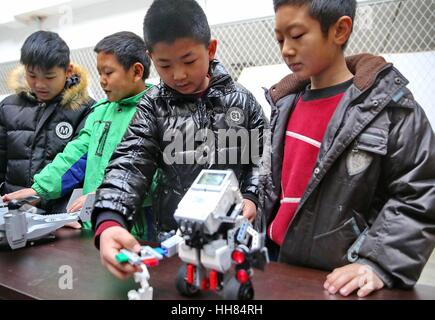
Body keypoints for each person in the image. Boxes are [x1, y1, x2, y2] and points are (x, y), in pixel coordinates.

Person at [261, 0, 435, 297]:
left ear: (340, 30)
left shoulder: (389, 109)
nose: (286, 49)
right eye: (280, 39)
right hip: (275, 262)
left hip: (341, 278)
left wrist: (377, 261)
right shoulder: (283, 104)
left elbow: (419, 191)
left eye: (298, 35)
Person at [91, 0, 267, 280]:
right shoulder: (153, 106)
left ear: (210, 49)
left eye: (188, 61)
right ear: (151, 59)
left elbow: (261, 160)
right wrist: (110, 219)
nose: (178, 75)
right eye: (164, 64)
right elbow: (130, 162)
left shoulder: (242, 102)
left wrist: (252, 195)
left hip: (230, 232)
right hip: (177, 237)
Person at [2, 31, 153, 235]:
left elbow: (159, 176)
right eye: (99, 73)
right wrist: (39, 189)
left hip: (136, 229)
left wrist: (104, 195)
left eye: (108, 73)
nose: (102, 80)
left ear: (136, 72)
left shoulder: (156, 111)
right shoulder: (101, 112)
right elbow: (75, 157)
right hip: (93, 224)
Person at [0, 31, 93, 212]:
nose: (40, 84)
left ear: (68, 71)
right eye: (32, 75)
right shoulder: (8, 107)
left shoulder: (86, 110)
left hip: (62, 218)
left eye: (49, 77)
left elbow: (80, 167)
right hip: (13, 211)